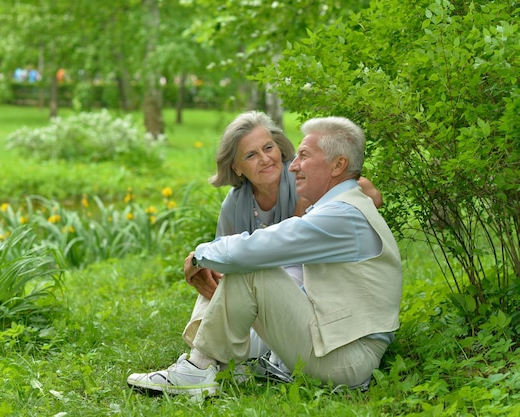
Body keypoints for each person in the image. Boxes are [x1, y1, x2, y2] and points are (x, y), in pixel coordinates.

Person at [127, 116, 402, 397]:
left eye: (303, 156)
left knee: (252, 266)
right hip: (339, 347)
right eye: (251, 154)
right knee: (241, 265)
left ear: (338, 165)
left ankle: (199, 367)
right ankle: (215, 363)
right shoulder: (333, 207)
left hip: (348, 359)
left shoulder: (342, 214)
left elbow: (256, 250)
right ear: (237, 167)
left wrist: (200, 253)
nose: (292, 165)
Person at [184, 111, 382, 363]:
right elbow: (224, 258)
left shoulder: (302, 176)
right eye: (251, 155)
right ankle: (202, 354)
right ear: (237, 167)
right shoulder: (235, 203)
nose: (265, 159)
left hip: (308, 283)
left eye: (268, 148)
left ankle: (211, 358)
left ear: (279, 148)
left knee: (253, 271)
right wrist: (200, 262)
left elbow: (364, 190)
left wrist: (311, 212)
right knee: (222, 276)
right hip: (261, 289)